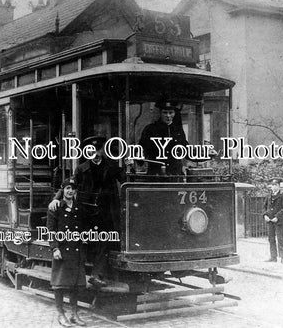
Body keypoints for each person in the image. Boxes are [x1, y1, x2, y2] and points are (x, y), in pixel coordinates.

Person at [49, 136, 127, 287]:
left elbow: (125, 180)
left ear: (102, 150)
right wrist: (56, 198)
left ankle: (96, 275)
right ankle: (77, 275)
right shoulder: (81, 168)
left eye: (98, 150)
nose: (96, 154)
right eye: (92, 150)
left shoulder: (111, 166)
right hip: (85, 212)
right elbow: (69, 185)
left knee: (104, 241)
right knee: (85, 241)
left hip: (105, 212)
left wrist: (130, 166)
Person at [47, 177, 87, 327]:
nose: (70, 191)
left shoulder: (78, 207)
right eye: (67, 188)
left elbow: (83, 228)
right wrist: (55, 248)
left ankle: (74, 315)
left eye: (73, 188)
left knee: (75, 285)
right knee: (60, 284)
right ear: (62, 190)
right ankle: (60, 314)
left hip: (76, 251)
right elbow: (50, 230)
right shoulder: (55, 207)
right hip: (62, 250)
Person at [138, 101, 189, 176]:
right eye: (165, 112)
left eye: (171, 112)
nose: (168, 116)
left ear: (174, 113)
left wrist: (205, 155)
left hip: (175, 175)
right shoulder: (150, 129)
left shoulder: (178, 130)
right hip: (156, 175)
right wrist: (138, 157)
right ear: (160, 113)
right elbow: (142, 150)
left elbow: (186, 149)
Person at [263, 177, 283, 264]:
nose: (273, 187)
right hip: (269, 221)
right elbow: (264, 207)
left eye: (275, 185)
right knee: (271, 239)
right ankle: (273, 257)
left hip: (278, 221)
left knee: (280, 239)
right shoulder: (269, 195)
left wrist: (277, 217)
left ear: (279, 186)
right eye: (272, 185)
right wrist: (265, 215)